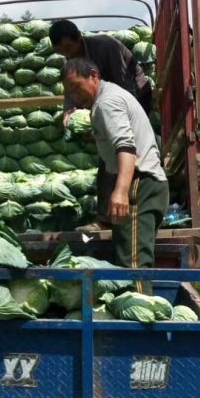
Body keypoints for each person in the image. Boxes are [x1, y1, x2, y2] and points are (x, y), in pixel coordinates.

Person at [61, 58, 168, 274]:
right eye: (69, 91)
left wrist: (119, 192)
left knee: (133, 267)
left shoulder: (106, 102)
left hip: (139, 184)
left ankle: (142, 304)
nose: (74, 95)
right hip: (142, 183)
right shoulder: (108, 97)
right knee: (128, 257)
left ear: (93, 75)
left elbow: (127, 146)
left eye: (76, 87)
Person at [49, 19, 153, 123]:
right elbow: (71, 89)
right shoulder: (69, 58)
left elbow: (123, 83)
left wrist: (125, 116)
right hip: (105, 100)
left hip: (136, 93)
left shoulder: (105, 47)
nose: (66, 53)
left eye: (68, 47)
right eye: (60, 51)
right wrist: (69, 112)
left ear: (79, 37)